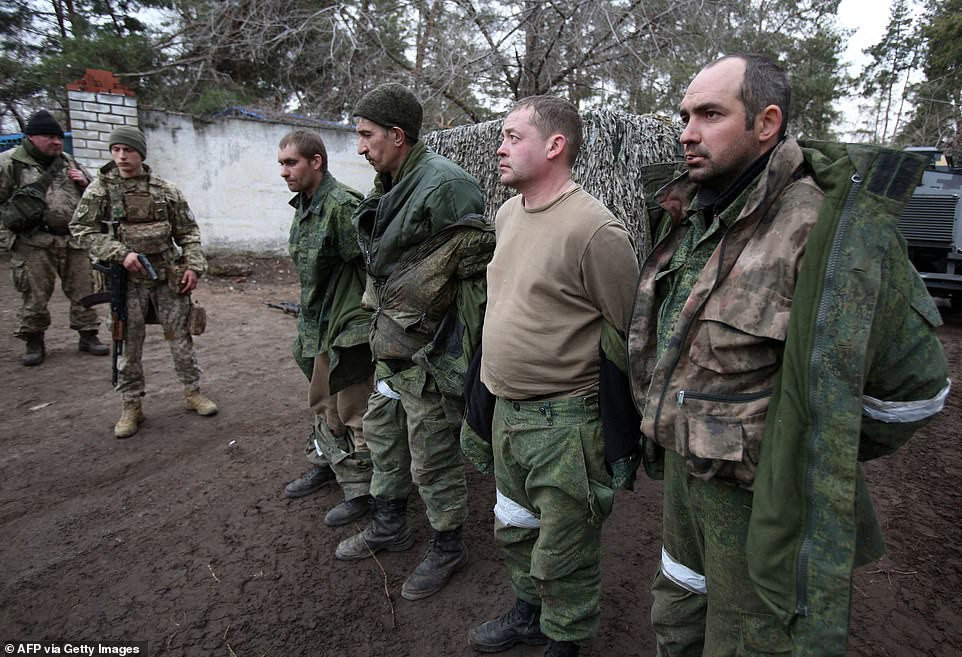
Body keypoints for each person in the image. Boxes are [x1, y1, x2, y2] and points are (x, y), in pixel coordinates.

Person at [627, 54, 951, 656]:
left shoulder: (826, 231)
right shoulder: (698, 213)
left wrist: (806, 447)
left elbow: (915, 393)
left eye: (710, 114)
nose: (686, 132)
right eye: (684, 115)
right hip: (684, 483)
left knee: (751, 640)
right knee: (678, 611)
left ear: (767, 121)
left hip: (760, 503)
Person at [465, 96, 640, 657]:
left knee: (565, 547)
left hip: (564, 423)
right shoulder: (508, 213)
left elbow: (627, 331)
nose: (500, 146)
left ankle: (566, 640)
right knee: (514, 525)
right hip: (505, 411)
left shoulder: (595, 229)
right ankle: (529, 612)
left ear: (555, 145)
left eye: (513, 136)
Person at [334, 82, 494, 603]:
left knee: (432, 454)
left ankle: (448, 545)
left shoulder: (446, 186)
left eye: (366, 135)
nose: (360, 147)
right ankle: (390, 522)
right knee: (382, 434)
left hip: (430, 352)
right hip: (392, 346)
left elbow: (473, 286)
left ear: (397, 135)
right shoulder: (392, 181)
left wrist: (455, 363)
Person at [70, 126, 218, 439]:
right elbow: (82, 230)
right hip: (127, 281)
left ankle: (192, 392)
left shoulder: (166, 190)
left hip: (166, 275)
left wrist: (193, 266)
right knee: (127, 343)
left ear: (141, 153)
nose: (122, 156)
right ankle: (130, 404)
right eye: (116, 150)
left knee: (180, 338)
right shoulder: (100, 190)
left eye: (129, 150)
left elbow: (188, 233)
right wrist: (120, 253)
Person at [277, 129, 375, 527]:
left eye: (291, 163)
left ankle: (363, 491)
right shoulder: (306, 204)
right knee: (322, 404)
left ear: (316, 162)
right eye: (281, 164)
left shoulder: (341, 206)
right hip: (316, 323)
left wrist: (359, 322)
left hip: (345, 326)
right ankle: (328, 465)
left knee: (354, 411)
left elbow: (374, 267)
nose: (284, 172)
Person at [0, 109, 108, 365]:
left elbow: (97, 194)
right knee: (34, 294)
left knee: (84, 289)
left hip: (72, 239)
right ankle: (34, 339)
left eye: (58, 138)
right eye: (49, 137)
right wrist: (8, 238)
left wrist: (85, 182)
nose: (56, 142)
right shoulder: (10, 164)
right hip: (33, 242)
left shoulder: (68, 161)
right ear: (31, 138)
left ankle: (88, 335)